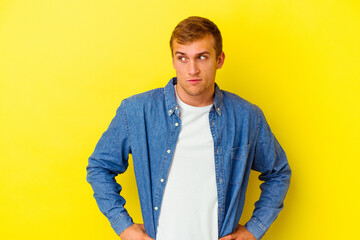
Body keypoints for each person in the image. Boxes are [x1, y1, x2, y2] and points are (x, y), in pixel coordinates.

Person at [86, 16, 291, 240]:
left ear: (219, 59)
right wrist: (123, 227)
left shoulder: (246, 117)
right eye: (182, 58)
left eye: (201, 57)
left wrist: (254, 229)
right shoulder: (136, 111)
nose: (192, 69)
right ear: (173, 61)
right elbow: (99, 167)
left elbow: (278, 172)